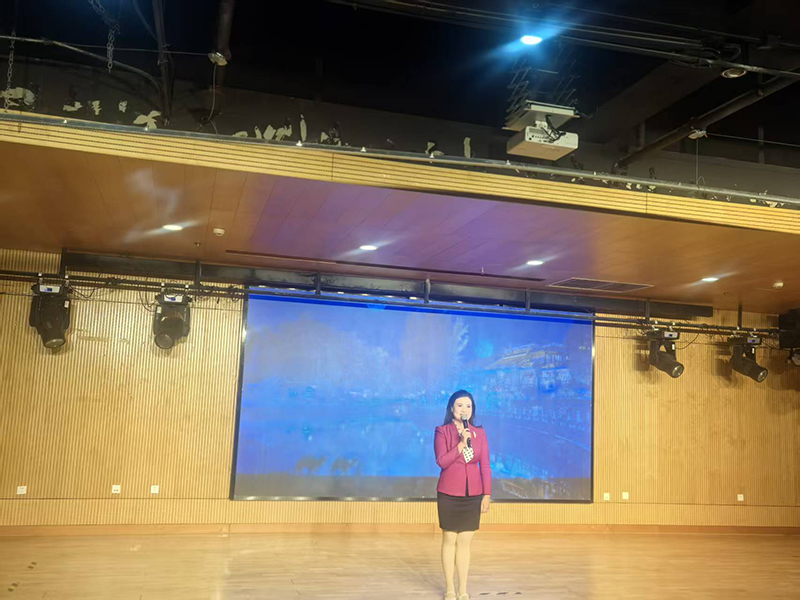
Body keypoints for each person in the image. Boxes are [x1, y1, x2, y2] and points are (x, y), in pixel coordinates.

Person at [433, 390, 492, 600]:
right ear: (452, 408)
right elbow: (442, 461)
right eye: (460, 405)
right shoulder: (442, 431)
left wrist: (487, 494)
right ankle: (450, 588)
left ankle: (463, 589)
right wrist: (460, 444)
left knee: (465, 542)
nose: (464, 409)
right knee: (450, 539)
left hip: (473, 494)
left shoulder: (480, 433)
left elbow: (485, 465)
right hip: (449, 493)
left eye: (468, 406)